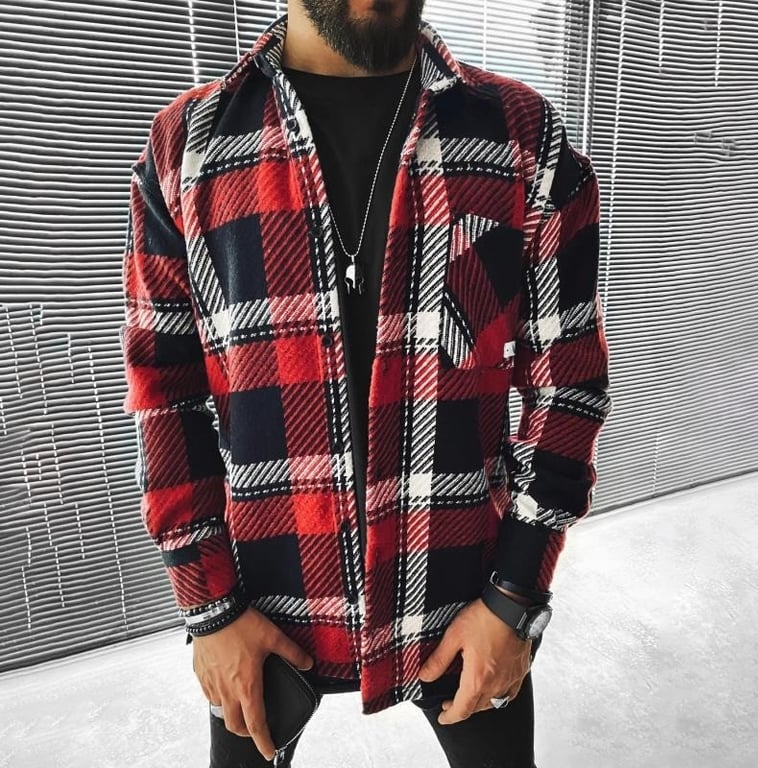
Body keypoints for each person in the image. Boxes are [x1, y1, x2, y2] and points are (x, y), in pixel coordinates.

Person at [120, 1, 611, 766]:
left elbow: (567, 385)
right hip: (265, 612)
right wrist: (210, 608)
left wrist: (516, 597)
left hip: (463, 600)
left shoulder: (521, 137)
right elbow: (165, 393)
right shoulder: (188, 146)